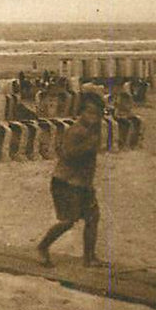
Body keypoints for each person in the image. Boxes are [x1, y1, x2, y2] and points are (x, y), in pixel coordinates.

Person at [37, 92, 106, 268]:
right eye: (89, 113)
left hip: (82, 184)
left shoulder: (93, 130)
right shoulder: (76, 131)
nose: (93, 117)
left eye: (97, 114)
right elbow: (67, 154)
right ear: (81, 113)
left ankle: (89, 257)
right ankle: (42, 247)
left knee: (93, 217)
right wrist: (88, 145)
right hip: (65, 183)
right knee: (68, 221)